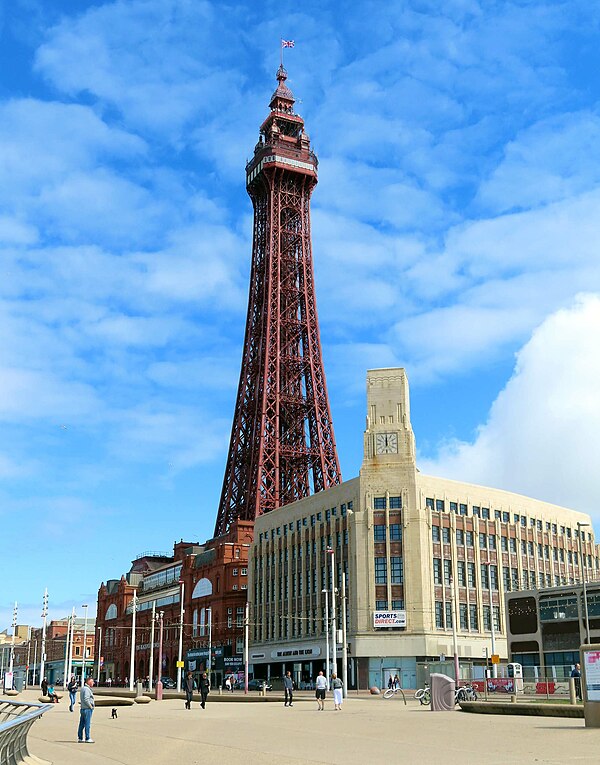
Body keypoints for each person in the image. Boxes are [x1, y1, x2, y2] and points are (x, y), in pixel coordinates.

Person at [78, 677, 95, 744]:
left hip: (83, 708)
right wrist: (90, 706)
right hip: (87, 709)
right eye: (92, 681)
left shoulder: (83, 688)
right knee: (87, 724)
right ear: (89, 682)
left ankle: (80, 737)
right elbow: (86, 699)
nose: (93, 683)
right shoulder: (87, 689)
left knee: (81, 723)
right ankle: (87, 737)